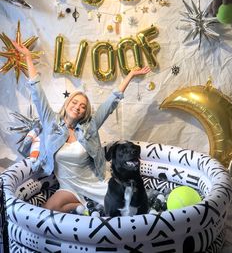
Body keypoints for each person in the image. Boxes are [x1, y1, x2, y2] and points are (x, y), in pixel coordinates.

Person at [12, 40, 151, 213]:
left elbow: (110, 103)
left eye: (83, 106)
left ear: (85, 112)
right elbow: (37, 92)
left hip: (95, 182)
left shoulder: (89, 126)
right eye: (75, 102)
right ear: (68, 103)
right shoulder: (51, 122)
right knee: (48, 209)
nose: (77, 107)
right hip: (69, 186)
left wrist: (129, 75)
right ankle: (87, 207)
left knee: (126, 208)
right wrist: (27, 57)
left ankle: (96, 207)